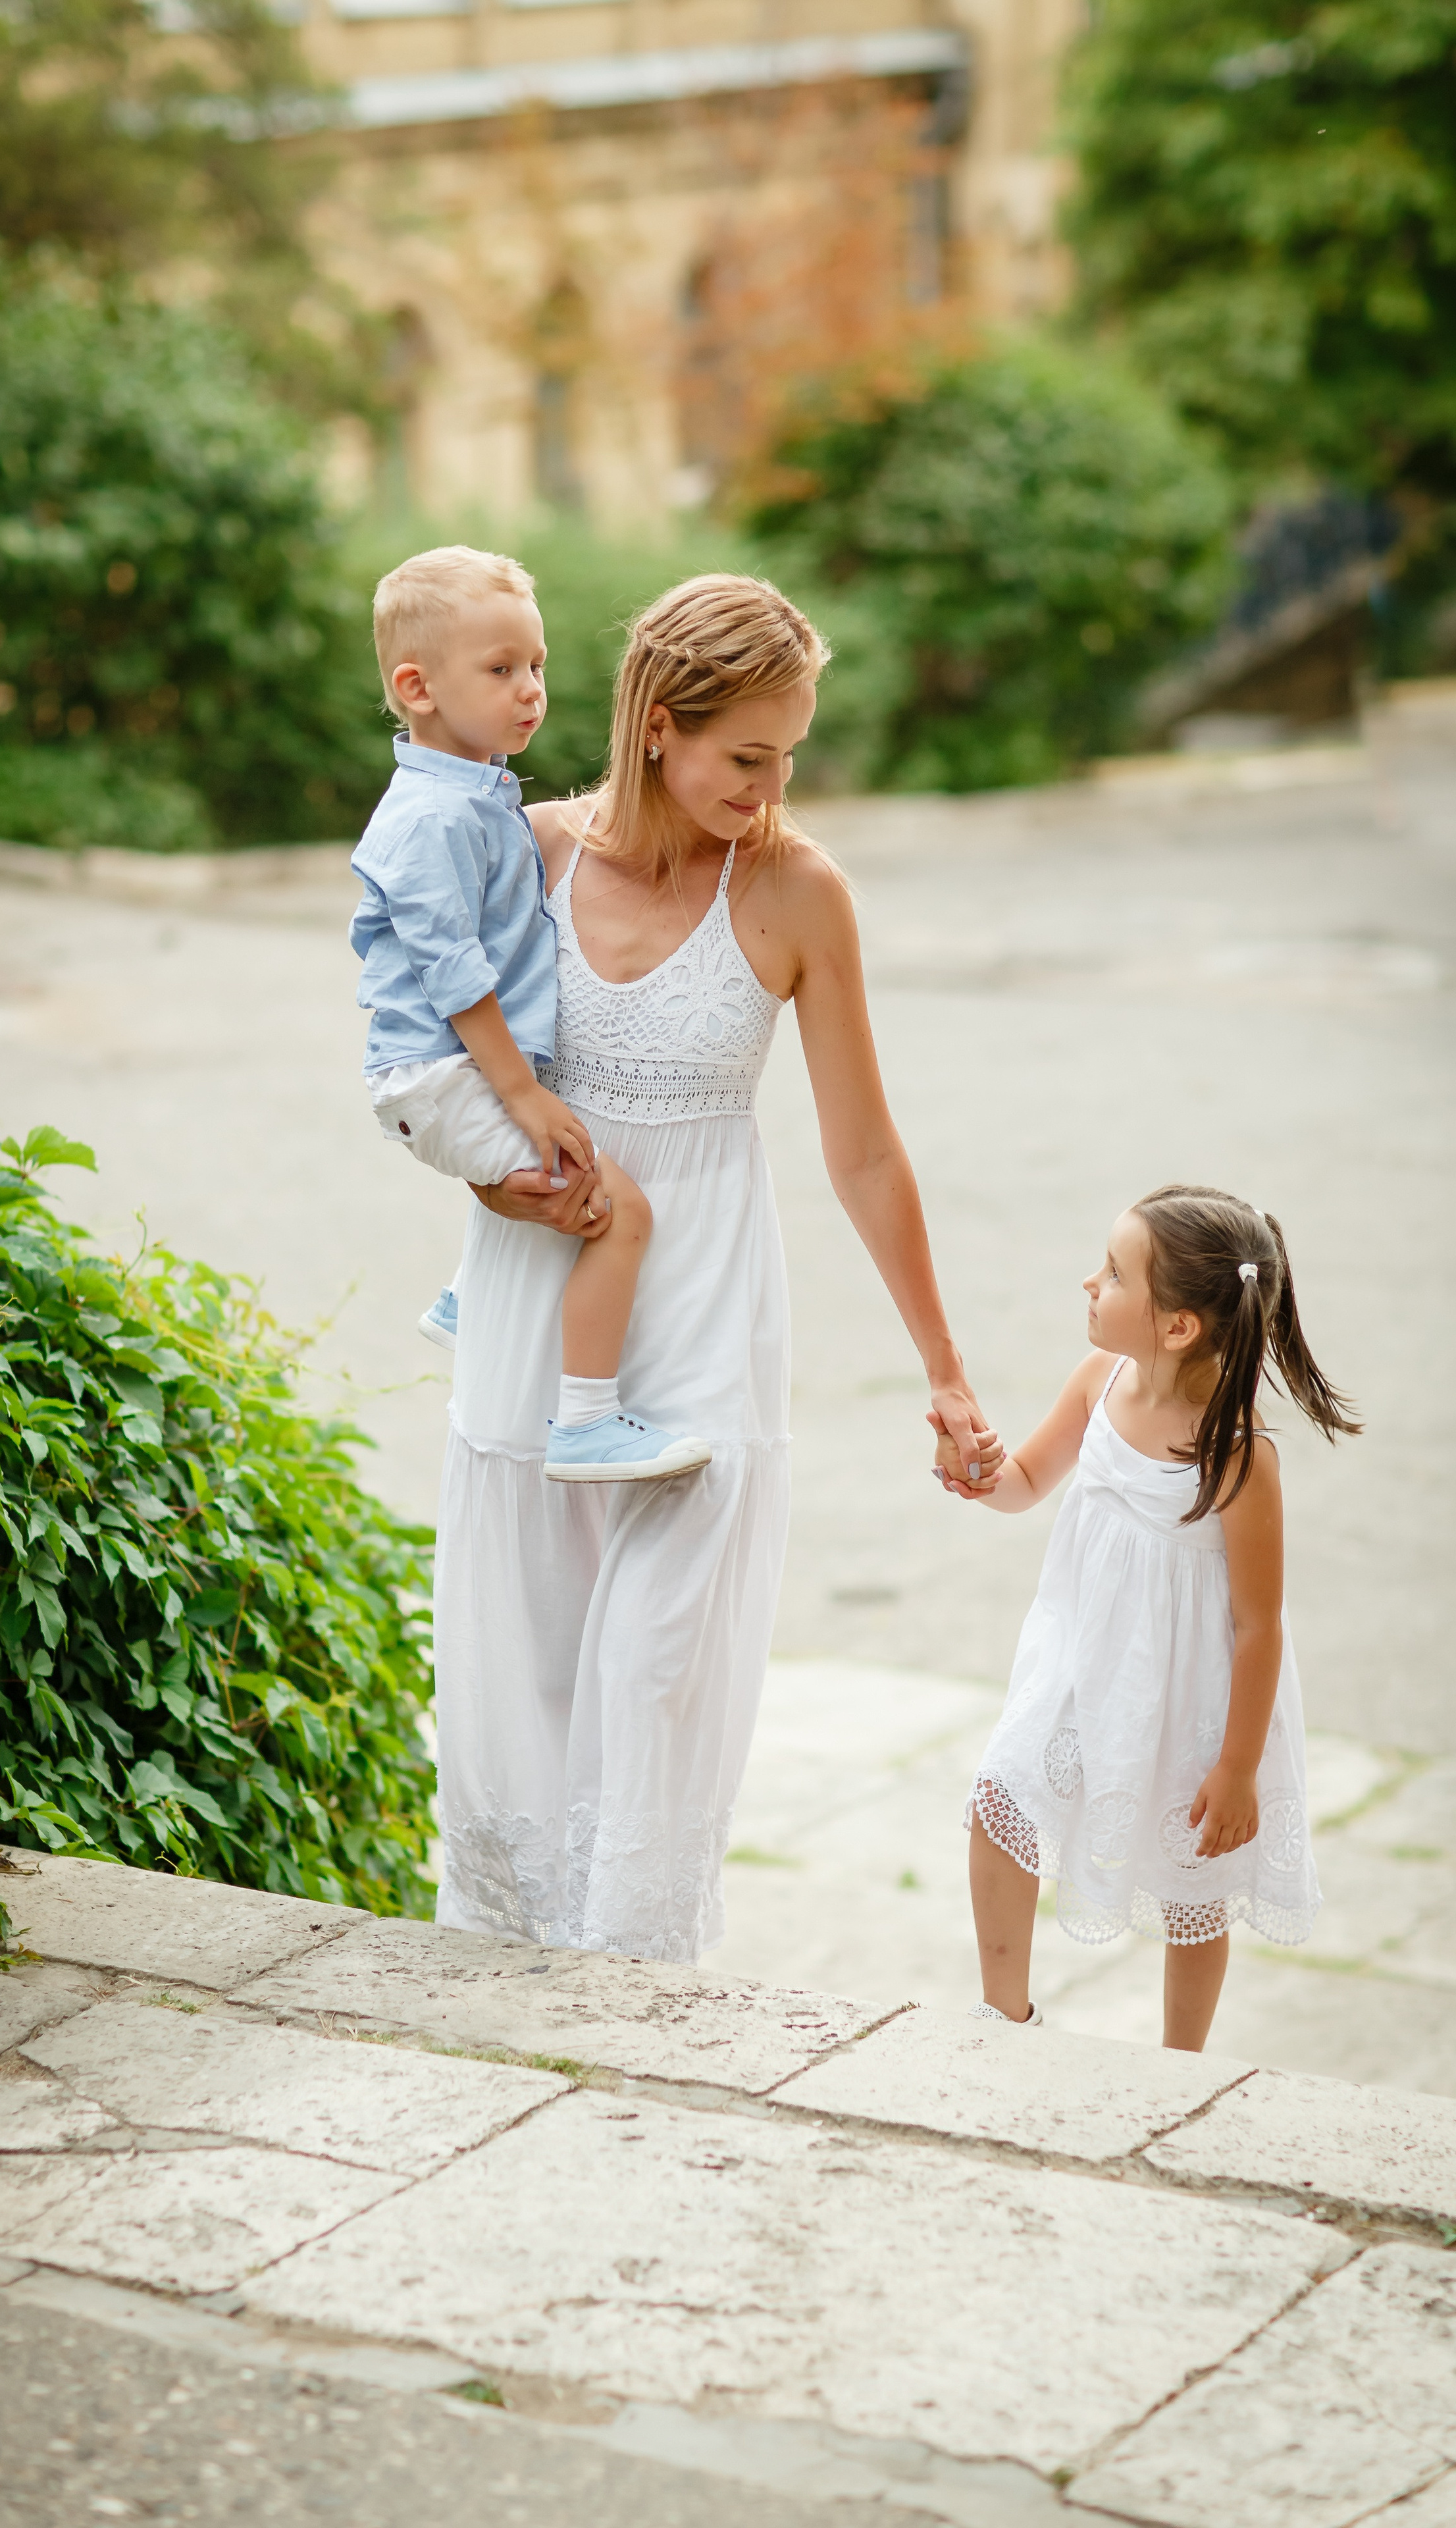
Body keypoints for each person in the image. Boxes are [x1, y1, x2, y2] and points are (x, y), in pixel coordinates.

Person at [434, 571, 1002, 1959]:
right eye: (746, 756)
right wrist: (488, 1173)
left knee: (653, 1691)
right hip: (532, 1323)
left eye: (788, 754)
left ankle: (629, 2026)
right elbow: (430, 1056)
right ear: (655, 728)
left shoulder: (799, 894)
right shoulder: (525, 851)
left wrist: (943, 1369)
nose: (770, 785)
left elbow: (863, 1152)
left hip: (696, 1357)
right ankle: (504, 2031)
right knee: (518, 1709)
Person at [938, 1185, 1359, 2051]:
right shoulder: (1099, 1383)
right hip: (1084, 1658)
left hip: (1191, 1689)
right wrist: (982, 1474)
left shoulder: (1239, 1460)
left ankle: (1181, 2062)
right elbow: (1024, 1482)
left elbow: (1258, 1626)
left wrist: (1238, 1767)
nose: (1089, 1283)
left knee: (1192, 1884)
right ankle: (1004, 2013)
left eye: (1115, 1273)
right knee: (1001, 1797)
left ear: (1177, 1327)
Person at [349, 544, 709, 1485]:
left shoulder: (474, 793)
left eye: (537, 666)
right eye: (502, 670)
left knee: (556, 1163)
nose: (530, 690)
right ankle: (587, 1420)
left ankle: (471, 1300)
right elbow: (454, 973)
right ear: (417, 687)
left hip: (455, 1068)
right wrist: (523, 1097)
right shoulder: (430, 818)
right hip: (440, 1072)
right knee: (613, 1206)